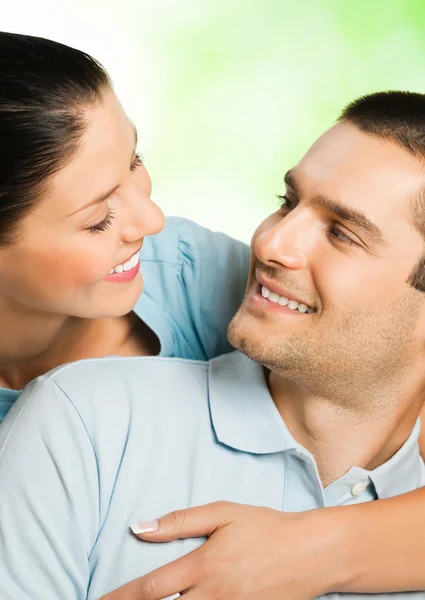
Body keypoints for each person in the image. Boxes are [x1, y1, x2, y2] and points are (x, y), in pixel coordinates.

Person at [1, 80, 425, 600]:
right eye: (96, 220)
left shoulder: (199, 276)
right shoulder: (80, 417)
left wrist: (313, 551)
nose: (268, 242)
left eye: (341, 232)